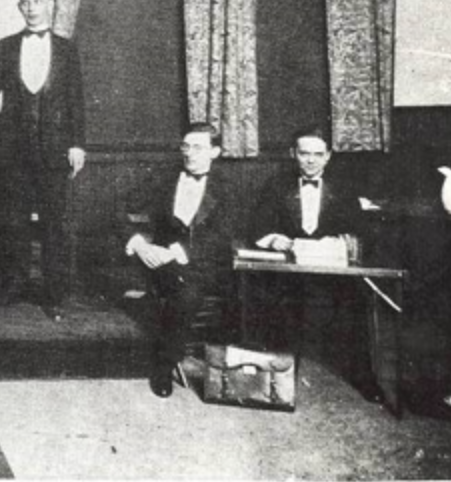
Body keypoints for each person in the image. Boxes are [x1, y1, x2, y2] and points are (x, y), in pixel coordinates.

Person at [0, 0, 86, 317]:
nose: (31, 8)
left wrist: (77, 144)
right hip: (13, 152)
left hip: (56, 151)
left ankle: (53, 294)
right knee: (13, 222)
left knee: (54, 224)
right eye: (25, 2)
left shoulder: (67, 49)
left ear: (49, 3)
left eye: (37, 1)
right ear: (19, 7)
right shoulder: (6, 46)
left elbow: (76, 101)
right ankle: (14, 285)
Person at [251, 126, 377, 400]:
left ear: (328, 156)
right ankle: (274, 378)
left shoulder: (345, 188)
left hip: (331, 274)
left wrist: (341, 242)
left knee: (355, 304)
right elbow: (257, 225)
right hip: (288, 273)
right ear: (293, 153)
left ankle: (364, 378)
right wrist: (273, 239)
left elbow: (358, 230)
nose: (310, 160)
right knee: (269, 301)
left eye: (317, 154)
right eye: (304, 153)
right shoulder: (276, 185)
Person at [124, 123, 234, 398]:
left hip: (202, 264)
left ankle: (164, 364)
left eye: (198, 147)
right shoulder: (164, 178)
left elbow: (223, 238)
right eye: (185, 146)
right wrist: (140, 244)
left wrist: (176, 252)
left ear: (215, 152)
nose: (189, 154)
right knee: (176, 290)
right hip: (159, 262)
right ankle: (163, 360)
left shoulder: (229, 187)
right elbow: (120, 209)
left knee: (187, 294)